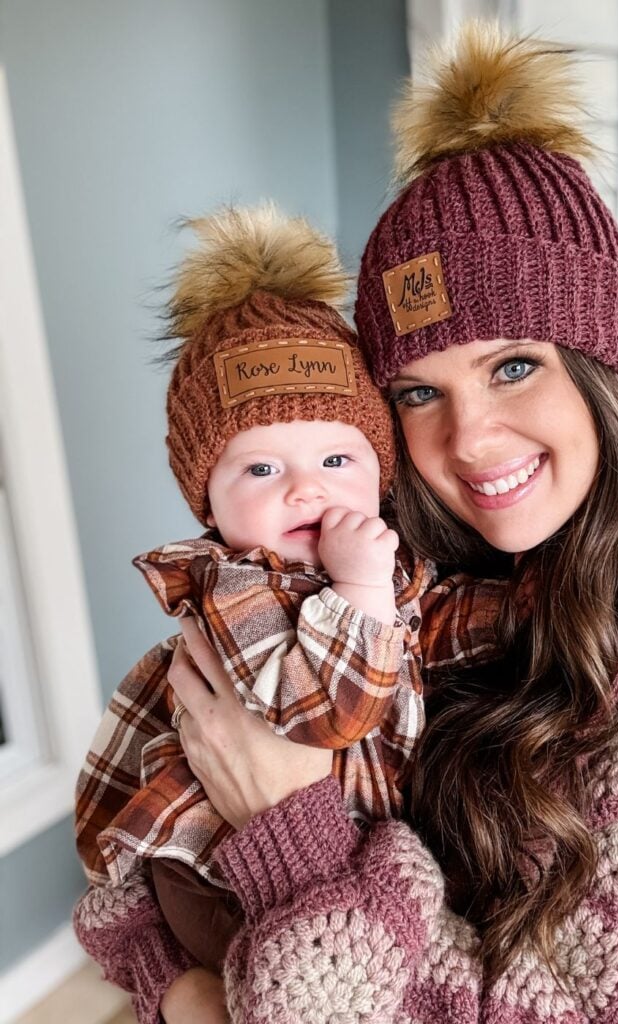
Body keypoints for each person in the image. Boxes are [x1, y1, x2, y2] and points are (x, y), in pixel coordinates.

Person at [74, 23, 618, 1024]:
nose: (467, 438)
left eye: (513, 365)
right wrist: (179, 991)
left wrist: (290, 833)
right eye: (415, 393)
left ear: (602, 375)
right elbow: (133, 841)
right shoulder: (368, 583)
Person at [73, 204, 504, 1016]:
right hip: (223, 883)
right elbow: (324, 714)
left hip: (330, 881)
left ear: (379, 472)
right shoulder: (241, 590)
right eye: (261, 469)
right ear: (210, 505)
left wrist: (517, 608)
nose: (305, 488)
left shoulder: (379, 565)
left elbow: (440, 620)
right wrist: (362, 592)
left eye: (336, 458)